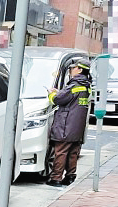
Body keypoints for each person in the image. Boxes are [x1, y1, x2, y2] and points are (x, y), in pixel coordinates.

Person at [46, 58, 92, 187]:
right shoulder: (86, 86)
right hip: (77, 127)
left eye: (73, 68)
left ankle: (56, 178)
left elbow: (57, 100)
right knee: (72, 152)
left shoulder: (74, 86)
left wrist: (52, 94)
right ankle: (70, 176)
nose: (70, 70)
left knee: (60, 152)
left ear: (80, 69)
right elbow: (73, 100)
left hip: (66, 125)